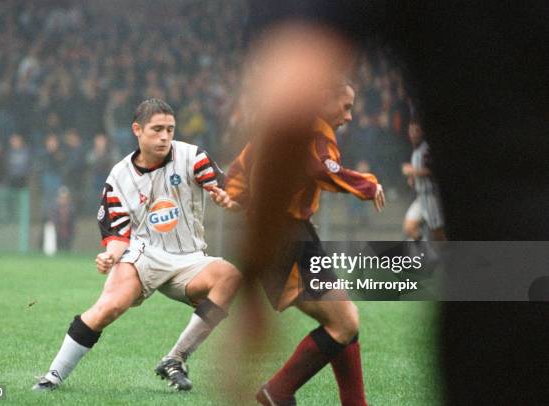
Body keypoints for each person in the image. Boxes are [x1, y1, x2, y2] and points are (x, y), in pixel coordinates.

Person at [33, 98, 241, 392]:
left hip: (190, 259)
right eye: (157, 129)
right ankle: (52, 376)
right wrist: (109, 255)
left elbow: (224, 188)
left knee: (230, 275)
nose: (165, 136)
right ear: (137, 130)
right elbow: (118, 236)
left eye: (170, 129)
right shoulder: (118, 177)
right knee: (109, 307)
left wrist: (228, 199)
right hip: (144, 255)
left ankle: (175, 358)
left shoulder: (193, 156)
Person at [218, 79, 385, 405]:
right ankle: (277, 392)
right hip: (286, 238)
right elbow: (321, 167)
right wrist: (366, 184)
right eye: (345, 106)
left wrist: (237, 197)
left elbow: (241, 166)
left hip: (293, 234)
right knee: (344, 321)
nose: (349, 116)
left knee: (345, 320)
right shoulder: (314, 128)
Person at [401, 119, 446, 241]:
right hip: (421, 197)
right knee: (409, 228)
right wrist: (413, 178)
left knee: (439, 236)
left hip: (432, 197)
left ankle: (449, 257)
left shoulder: (427, 149)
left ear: (423, 132)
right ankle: (427, 254)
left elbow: (432, 169)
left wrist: (412, 171)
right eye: (411, 131)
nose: (413, 134)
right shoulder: (416, 150)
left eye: (416, 131)